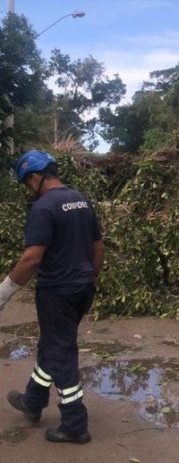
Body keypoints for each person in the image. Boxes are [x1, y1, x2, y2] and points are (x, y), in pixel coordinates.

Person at [0, 149, 103, 444]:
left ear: (35, 177)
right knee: (52, 344)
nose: (27, 189)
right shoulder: (82, 200)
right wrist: (89, 278)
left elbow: (31, 258)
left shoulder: (43, 208)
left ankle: (74, 424)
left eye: (26, 183)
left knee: (61, 352)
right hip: (82, 289)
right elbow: (98, 246)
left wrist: (4, 293)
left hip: (57, 293)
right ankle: (32, 401)